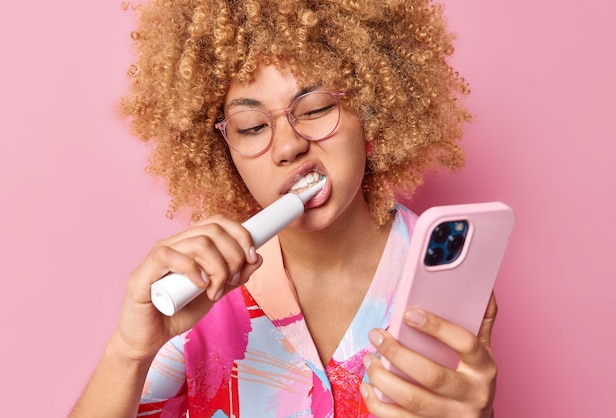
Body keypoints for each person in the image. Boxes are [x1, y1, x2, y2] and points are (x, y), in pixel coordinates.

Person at [70, 0, 498, 416]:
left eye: (315, 109)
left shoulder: (438, 274)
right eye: (253, 127)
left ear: (370, 107)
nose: (290, 146)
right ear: (222, 151)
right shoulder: (198, 287)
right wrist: (127, 351)